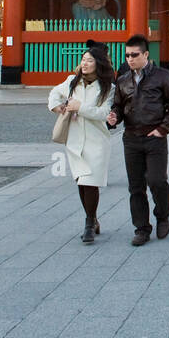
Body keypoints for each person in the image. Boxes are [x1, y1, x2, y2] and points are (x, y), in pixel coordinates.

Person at [111, 33, 169, 246]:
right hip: (131, 137)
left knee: (157, 180)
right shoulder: (123, 80)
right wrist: (114, 117)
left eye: (134, 55)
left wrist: (163, 129)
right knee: (136, 186)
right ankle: (141, 228)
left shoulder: (162, 76)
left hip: (154, 137)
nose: (130, 59)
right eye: (127, 55)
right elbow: (118, 106)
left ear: (146, 55)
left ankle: (162, 216)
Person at [49, 43, 116, 244]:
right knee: (81, 180)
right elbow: (54, 93)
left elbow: (104, 113)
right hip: (75, 138)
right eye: (83, 60)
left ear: (99, 63)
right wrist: (57, 107)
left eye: (89, 60)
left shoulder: (108, 87)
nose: (84, 64)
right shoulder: (72, 81)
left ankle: (88, 222)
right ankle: (93, 218)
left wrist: (81, 107)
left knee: (91, 181)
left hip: (97, 140)